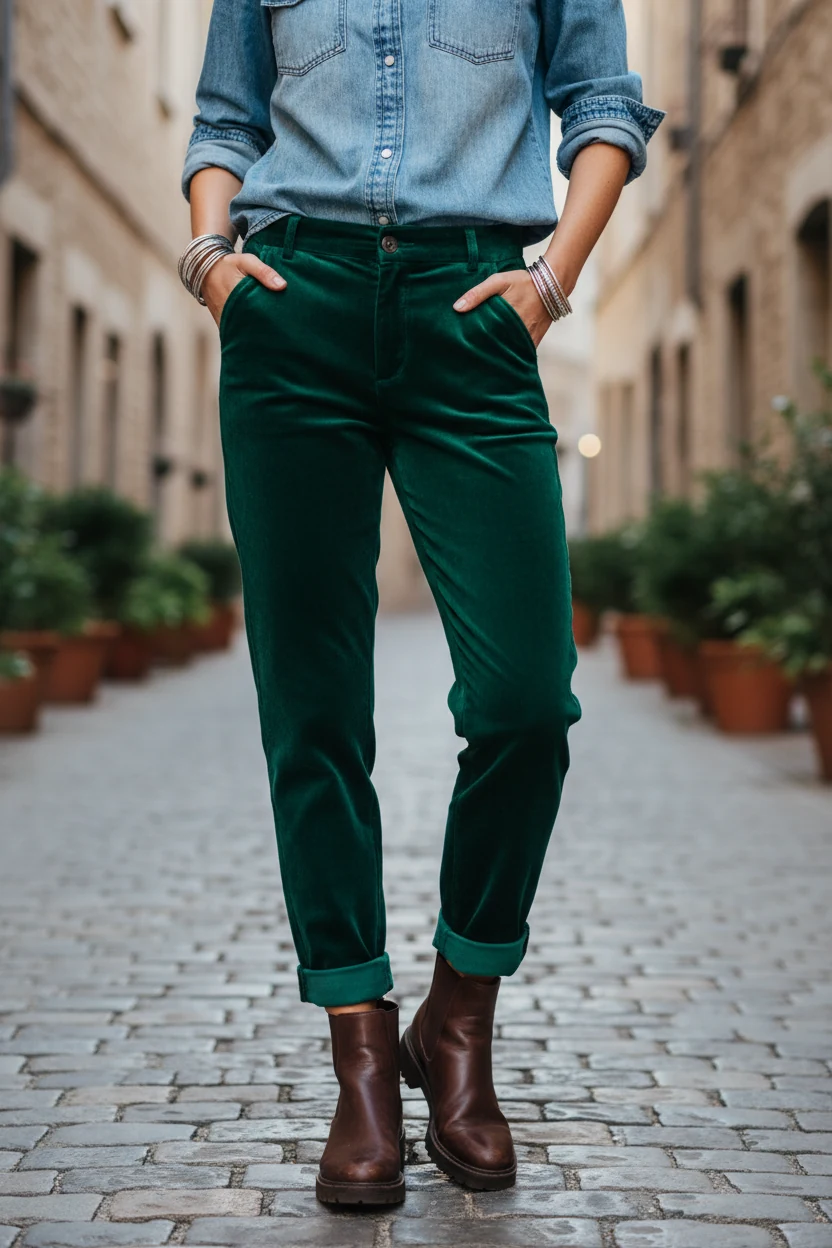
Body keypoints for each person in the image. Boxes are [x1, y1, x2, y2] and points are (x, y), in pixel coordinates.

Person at [181, 0, 662, 1208]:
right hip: (292, 309)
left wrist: (550, 282)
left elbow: (603, 107)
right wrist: (214, 267)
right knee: (312, 709)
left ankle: (456, 1015)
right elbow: (225, 121)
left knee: (524, 703)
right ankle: (358, 1055)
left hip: (473, 310)